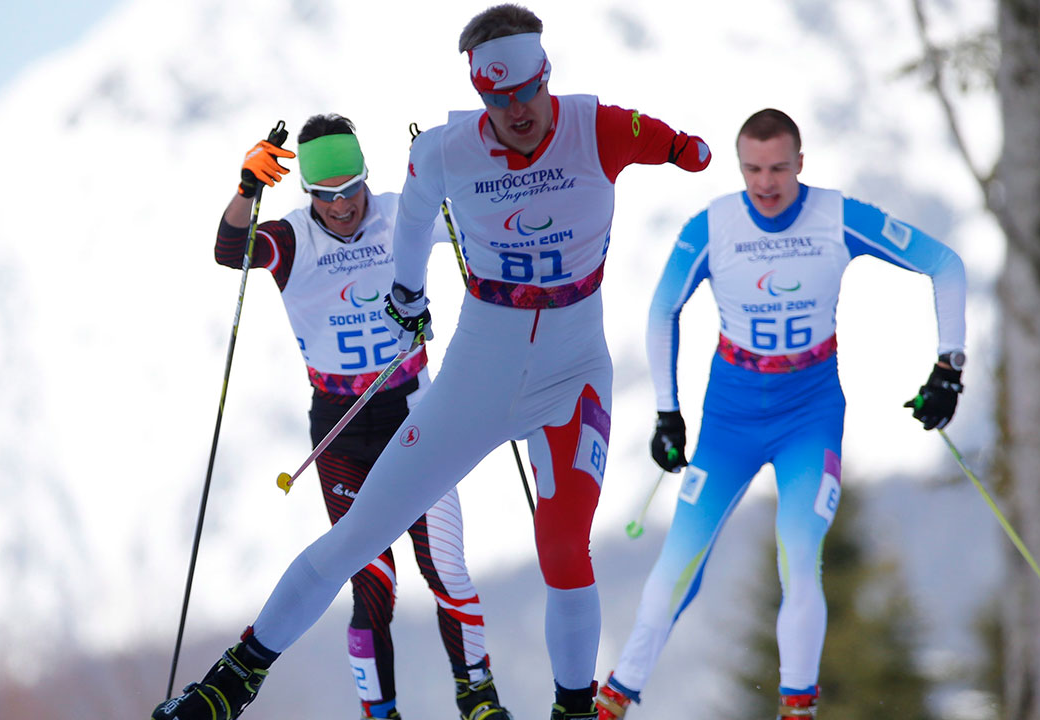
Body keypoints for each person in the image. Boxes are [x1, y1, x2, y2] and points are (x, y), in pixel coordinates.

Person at [151, 5, 711, 720]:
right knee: (362, 553)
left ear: (547, 76)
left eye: (526, 91)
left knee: (561, 550)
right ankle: (232, 684)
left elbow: (680, 147)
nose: (515, 112)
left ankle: (550, 706)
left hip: (563, 380)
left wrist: (689, 149)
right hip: (432, 392)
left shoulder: (593, 127)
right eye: (496, 97)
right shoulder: (412, 171)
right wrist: (256, 196)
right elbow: (254, 248)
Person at [593, 108, 967, 720]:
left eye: (778, 169)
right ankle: (617, 695)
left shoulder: (837, 216)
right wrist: (667, 413)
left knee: (799, 556)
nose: (765, 184)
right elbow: (663, 310)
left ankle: (797, 707)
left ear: (800, 162)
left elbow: (945, 263)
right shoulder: (711, 226)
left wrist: (947, 369)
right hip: (729, 423)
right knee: (676, 564)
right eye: (752, 170)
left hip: (809, 417)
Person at [203, 114, 509, 720]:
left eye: (353, 188)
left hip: (418, 410)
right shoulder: (290, 240)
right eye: (328, 194)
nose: (344, 205)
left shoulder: (402, 213)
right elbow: (229, 251)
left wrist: (455, 166)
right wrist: (246, 190)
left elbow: (482, 218)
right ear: (307, 194)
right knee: (371, 585)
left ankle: (477, 697)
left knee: (447, 566)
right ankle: (379, 711)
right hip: (342, 427)